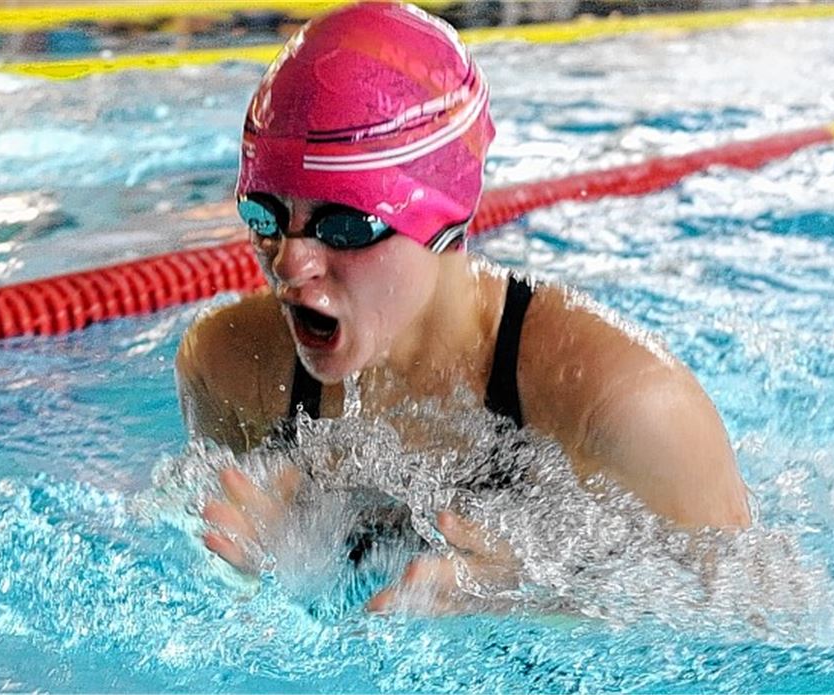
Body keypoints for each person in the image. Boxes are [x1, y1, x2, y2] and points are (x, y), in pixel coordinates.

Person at [174, 1, 750, 613]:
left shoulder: (627, 408)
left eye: (343, 225)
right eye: (265, 215)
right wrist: (249, 576)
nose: (290, 264)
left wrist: (536, 604)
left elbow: (767, 623)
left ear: (441, 220)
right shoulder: (232, 370)